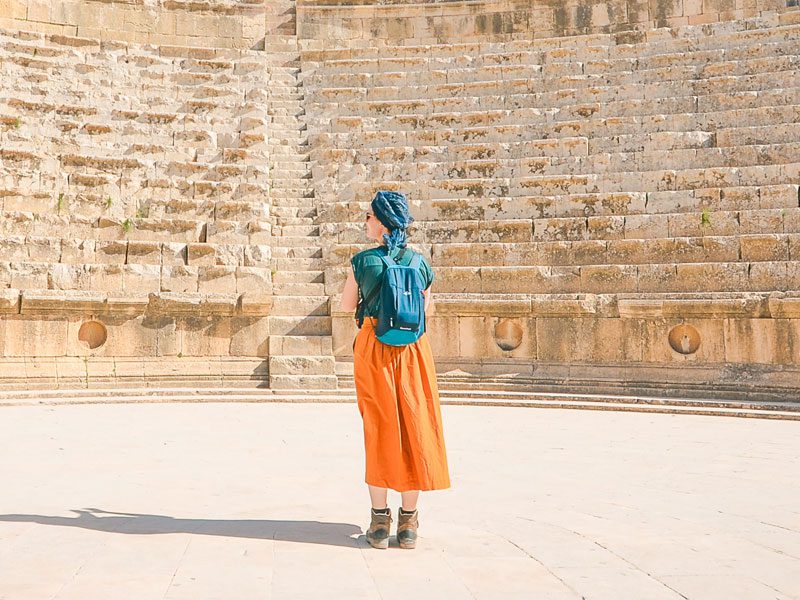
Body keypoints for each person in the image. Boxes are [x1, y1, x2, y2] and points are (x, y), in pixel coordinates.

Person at [339, 190, 450, 550]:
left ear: (383, 222)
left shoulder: (362, 262)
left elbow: (345, 307)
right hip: (414, 353)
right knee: (415, 426)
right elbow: (425, 312)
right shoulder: (419, 264)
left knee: (380, 427)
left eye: (369, 217)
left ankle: (378, 521)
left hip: (375, 349)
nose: (365, 222)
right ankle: (408, 524)